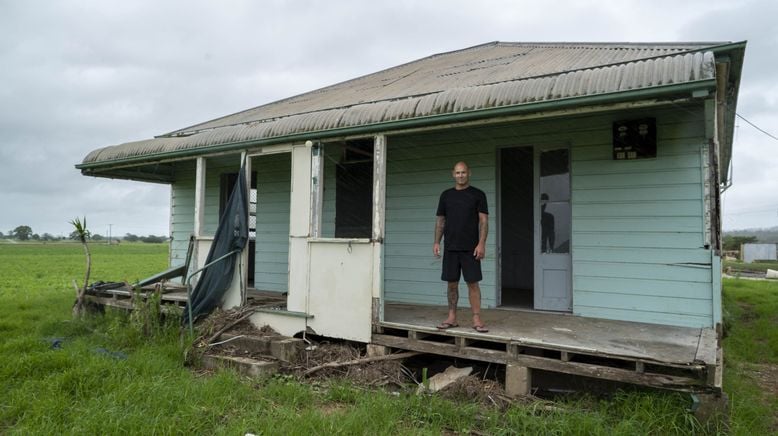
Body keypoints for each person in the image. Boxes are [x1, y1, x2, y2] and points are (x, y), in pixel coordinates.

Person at [433, 161, 489, 333]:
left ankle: (477, 319)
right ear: (453, 174)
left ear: (469, 173)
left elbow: (484, 221)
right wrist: (436, 242)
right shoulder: (446, 196)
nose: (460, 175)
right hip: (451, 247)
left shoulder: (478, 195)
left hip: (471, 248)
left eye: (463, 172)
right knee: (451, 284)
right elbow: (440, 222)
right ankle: (452, 317)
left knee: (473, 283)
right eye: (458, 173)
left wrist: (481, 244)